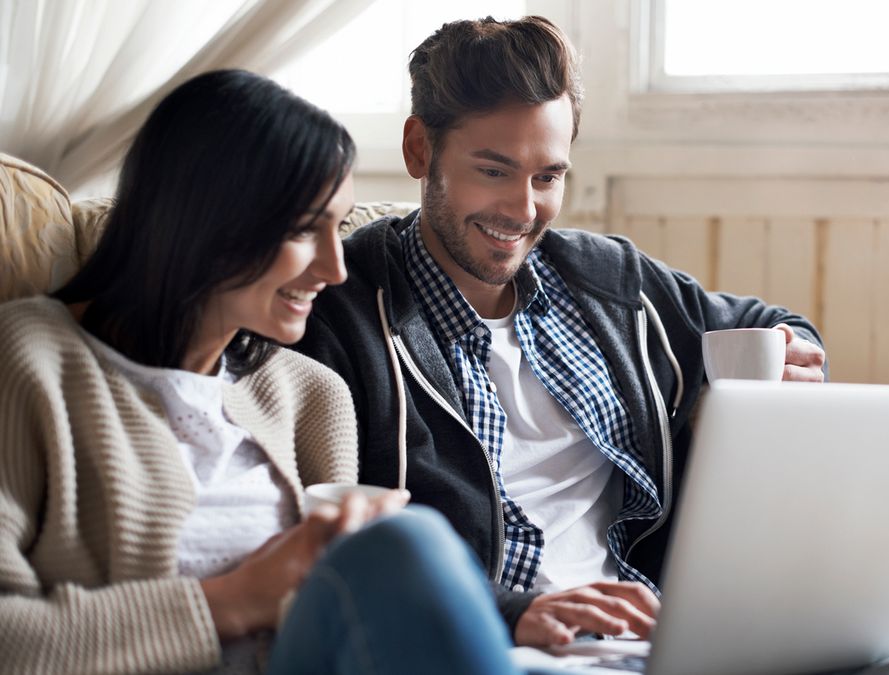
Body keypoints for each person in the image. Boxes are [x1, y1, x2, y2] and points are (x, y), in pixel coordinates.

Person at [292, 15, 889, 674]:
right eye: (494, 171)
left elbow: (764, 319)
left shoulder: (606, 281)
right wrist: (510, 610)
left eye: (548, 176)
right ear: (420, 149)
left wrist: (793, 355)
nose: (524, 210)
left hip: (669, 641)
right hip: (506, 649)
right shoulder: (344, 314)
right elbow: (340, 554)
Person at [0, 69, 582, 675]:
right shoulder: (29, 363)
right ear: (206, 217)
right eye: (307, 230)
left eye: (339, 226)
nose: (334, 269)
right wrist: (239, 597)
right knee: (414, 540)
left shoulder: (309, 394)